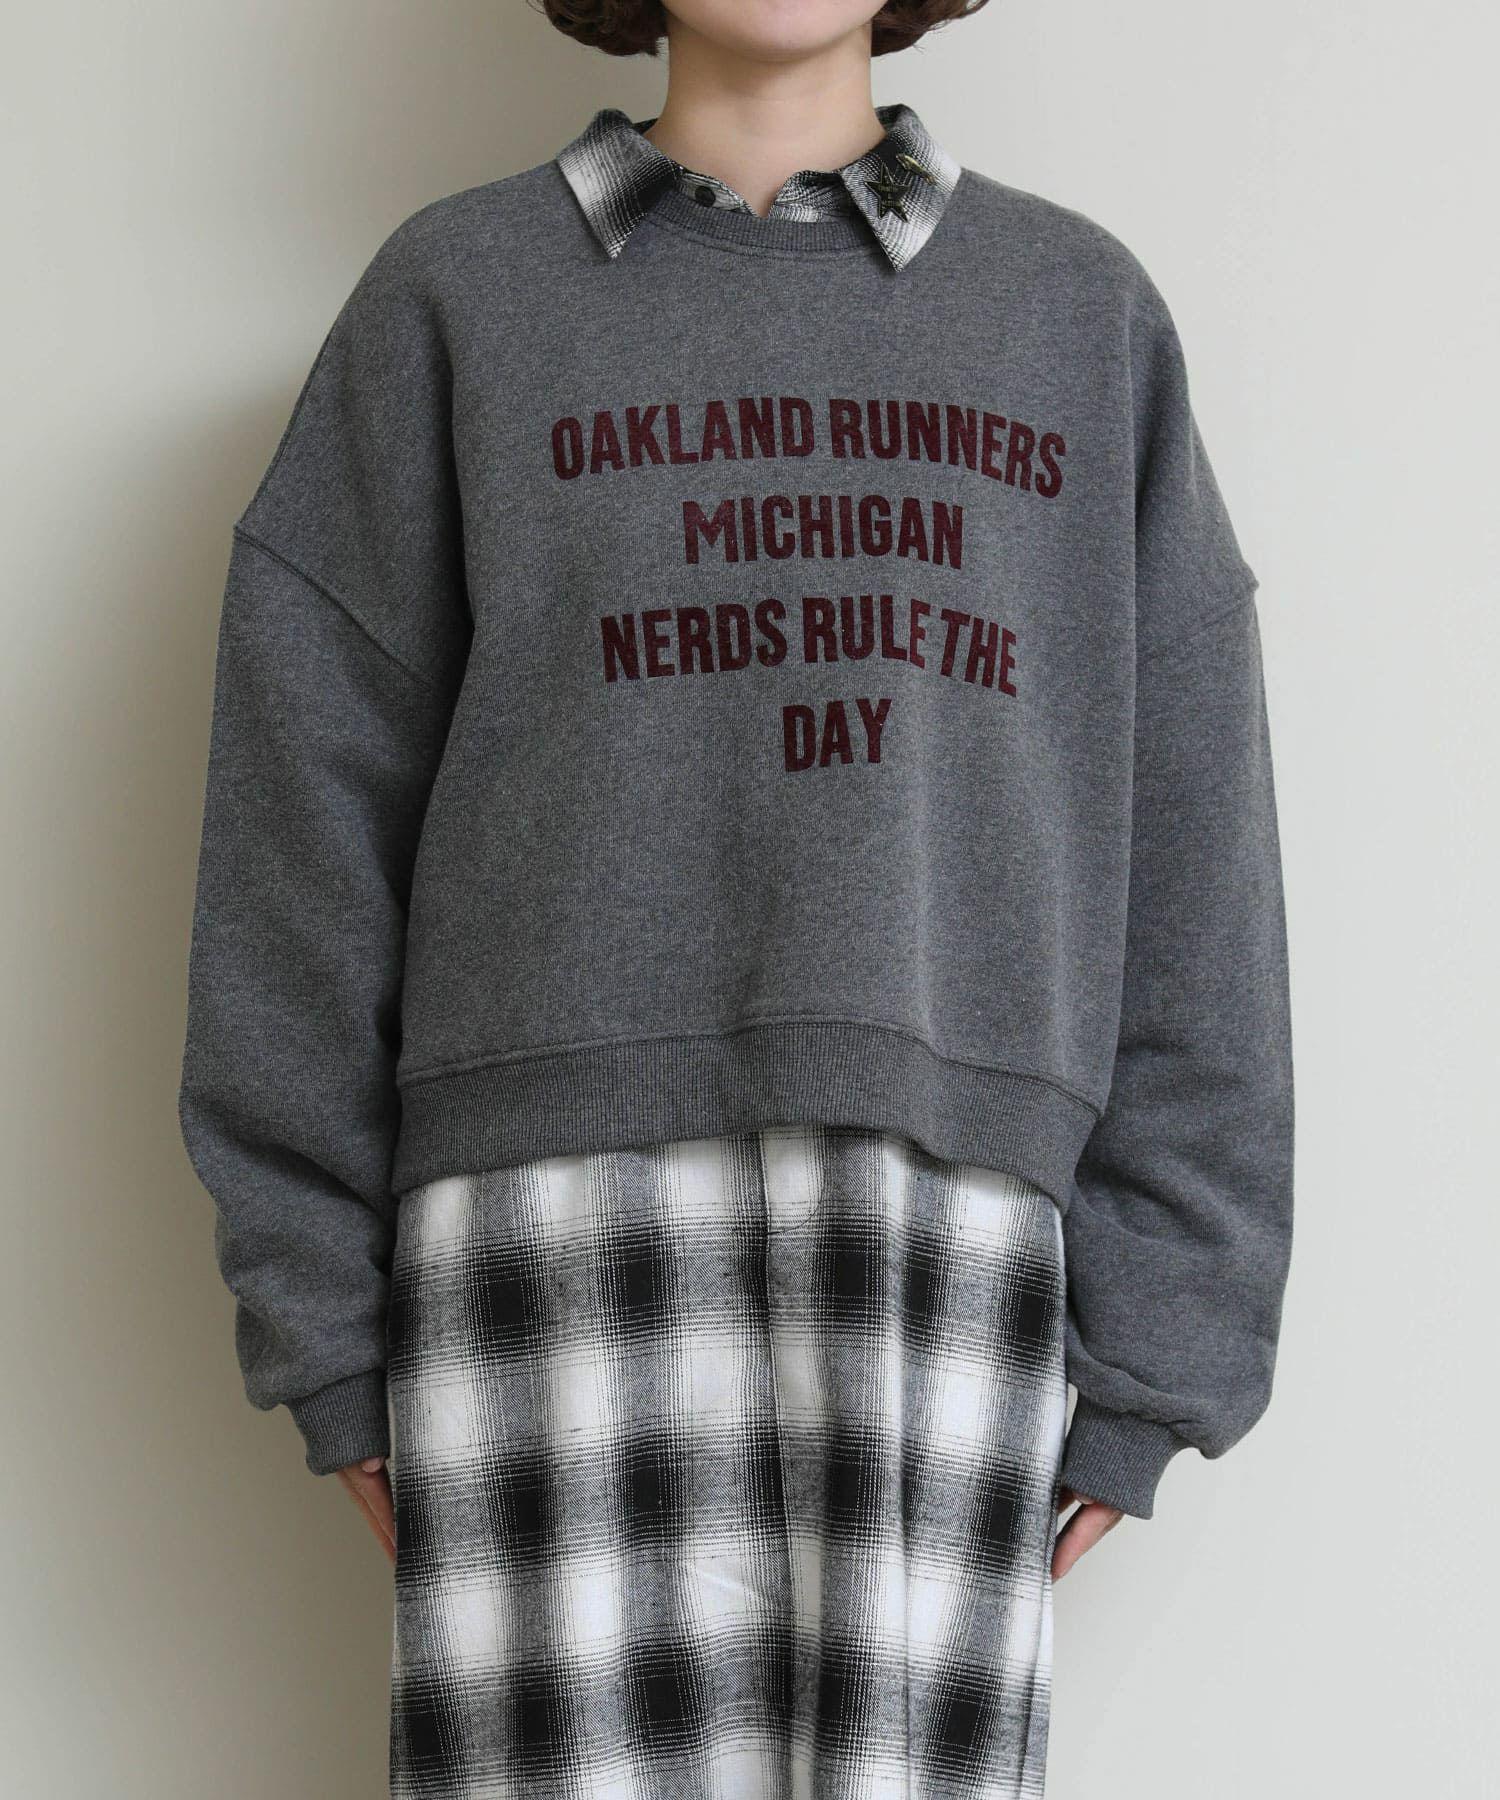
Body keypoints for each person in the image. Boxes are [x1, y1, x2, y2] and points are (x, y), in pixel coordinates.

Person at [176, 2, 1295, 1794]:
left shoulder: (1076, 321)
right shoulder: (454, 300)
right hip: (537, 1249)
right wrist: (319, 1318)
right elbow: (302, 817)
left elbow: (1192, 840)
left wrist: (1169, 1340)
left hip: (943, 1245)